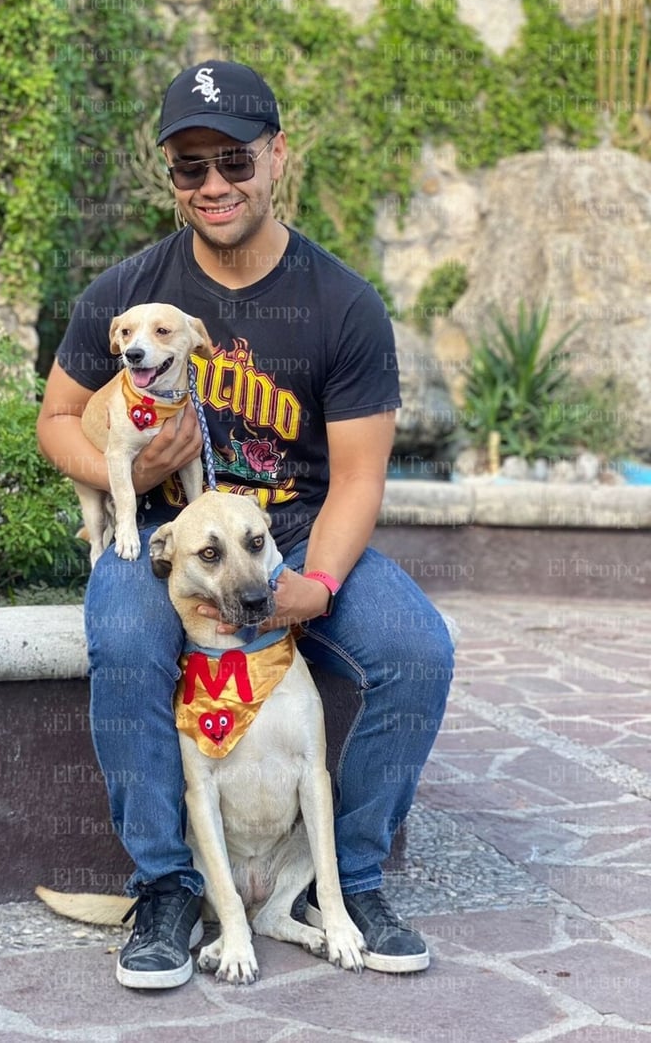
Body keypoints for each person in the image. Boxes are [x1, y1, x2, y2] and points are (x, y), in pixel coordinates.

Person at [37, 60, 454, 990]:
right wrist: (132, 475)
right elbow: (56, 422)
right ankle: (168, 887)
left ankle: (340, 883)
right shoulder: (130, 293)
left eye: (234, 160)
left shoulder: (343, 304)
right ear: (171, 179)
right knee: (123, 636)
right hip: (170, 539)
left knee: (416, 650)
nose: (215, 185)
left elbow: (357, 479)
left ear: (277, 157)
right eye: (191, 168)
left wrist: (319, 584)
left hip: (291, 532)